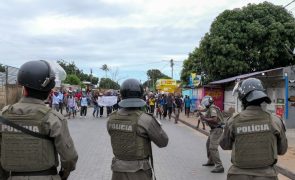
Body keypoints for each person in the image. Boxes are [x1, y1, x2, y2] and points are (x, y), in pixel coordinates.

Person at [0, 60, 78, 180]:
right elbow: (69, 158)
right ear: (49, 92)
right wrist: (62, 175)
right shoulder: (53, 118)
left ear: (23, 89)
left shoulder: (3, 116)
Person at [220, 78, 288, 180]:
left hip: (238, 175)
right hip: (267, 175)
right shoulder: (275, 121)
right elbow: (282, 150)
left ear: (242, 98)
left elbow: (224, 145)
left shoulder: (233, 121)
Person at [107, 79, 169, 180]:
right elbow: (163, 142)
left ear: (122, 95)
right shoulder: (145, 119)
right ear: (141, 95)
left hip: (117, 171)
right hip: (139, 173)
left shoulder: (112, 118)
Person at [198, 95, 224, 173]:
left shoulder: (212, 108)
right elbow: (204, 110)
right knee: (208, 144)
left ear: (207, 102)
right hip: (214, 130)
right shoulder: (210, 108)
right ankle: (211, 161)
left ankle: (219, 166)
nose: (204, 104)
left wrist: (204, 118)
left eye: (205, 102)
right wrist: (199, 112)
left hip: (217, 129)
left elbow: (214, 119)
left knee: (213, 147)